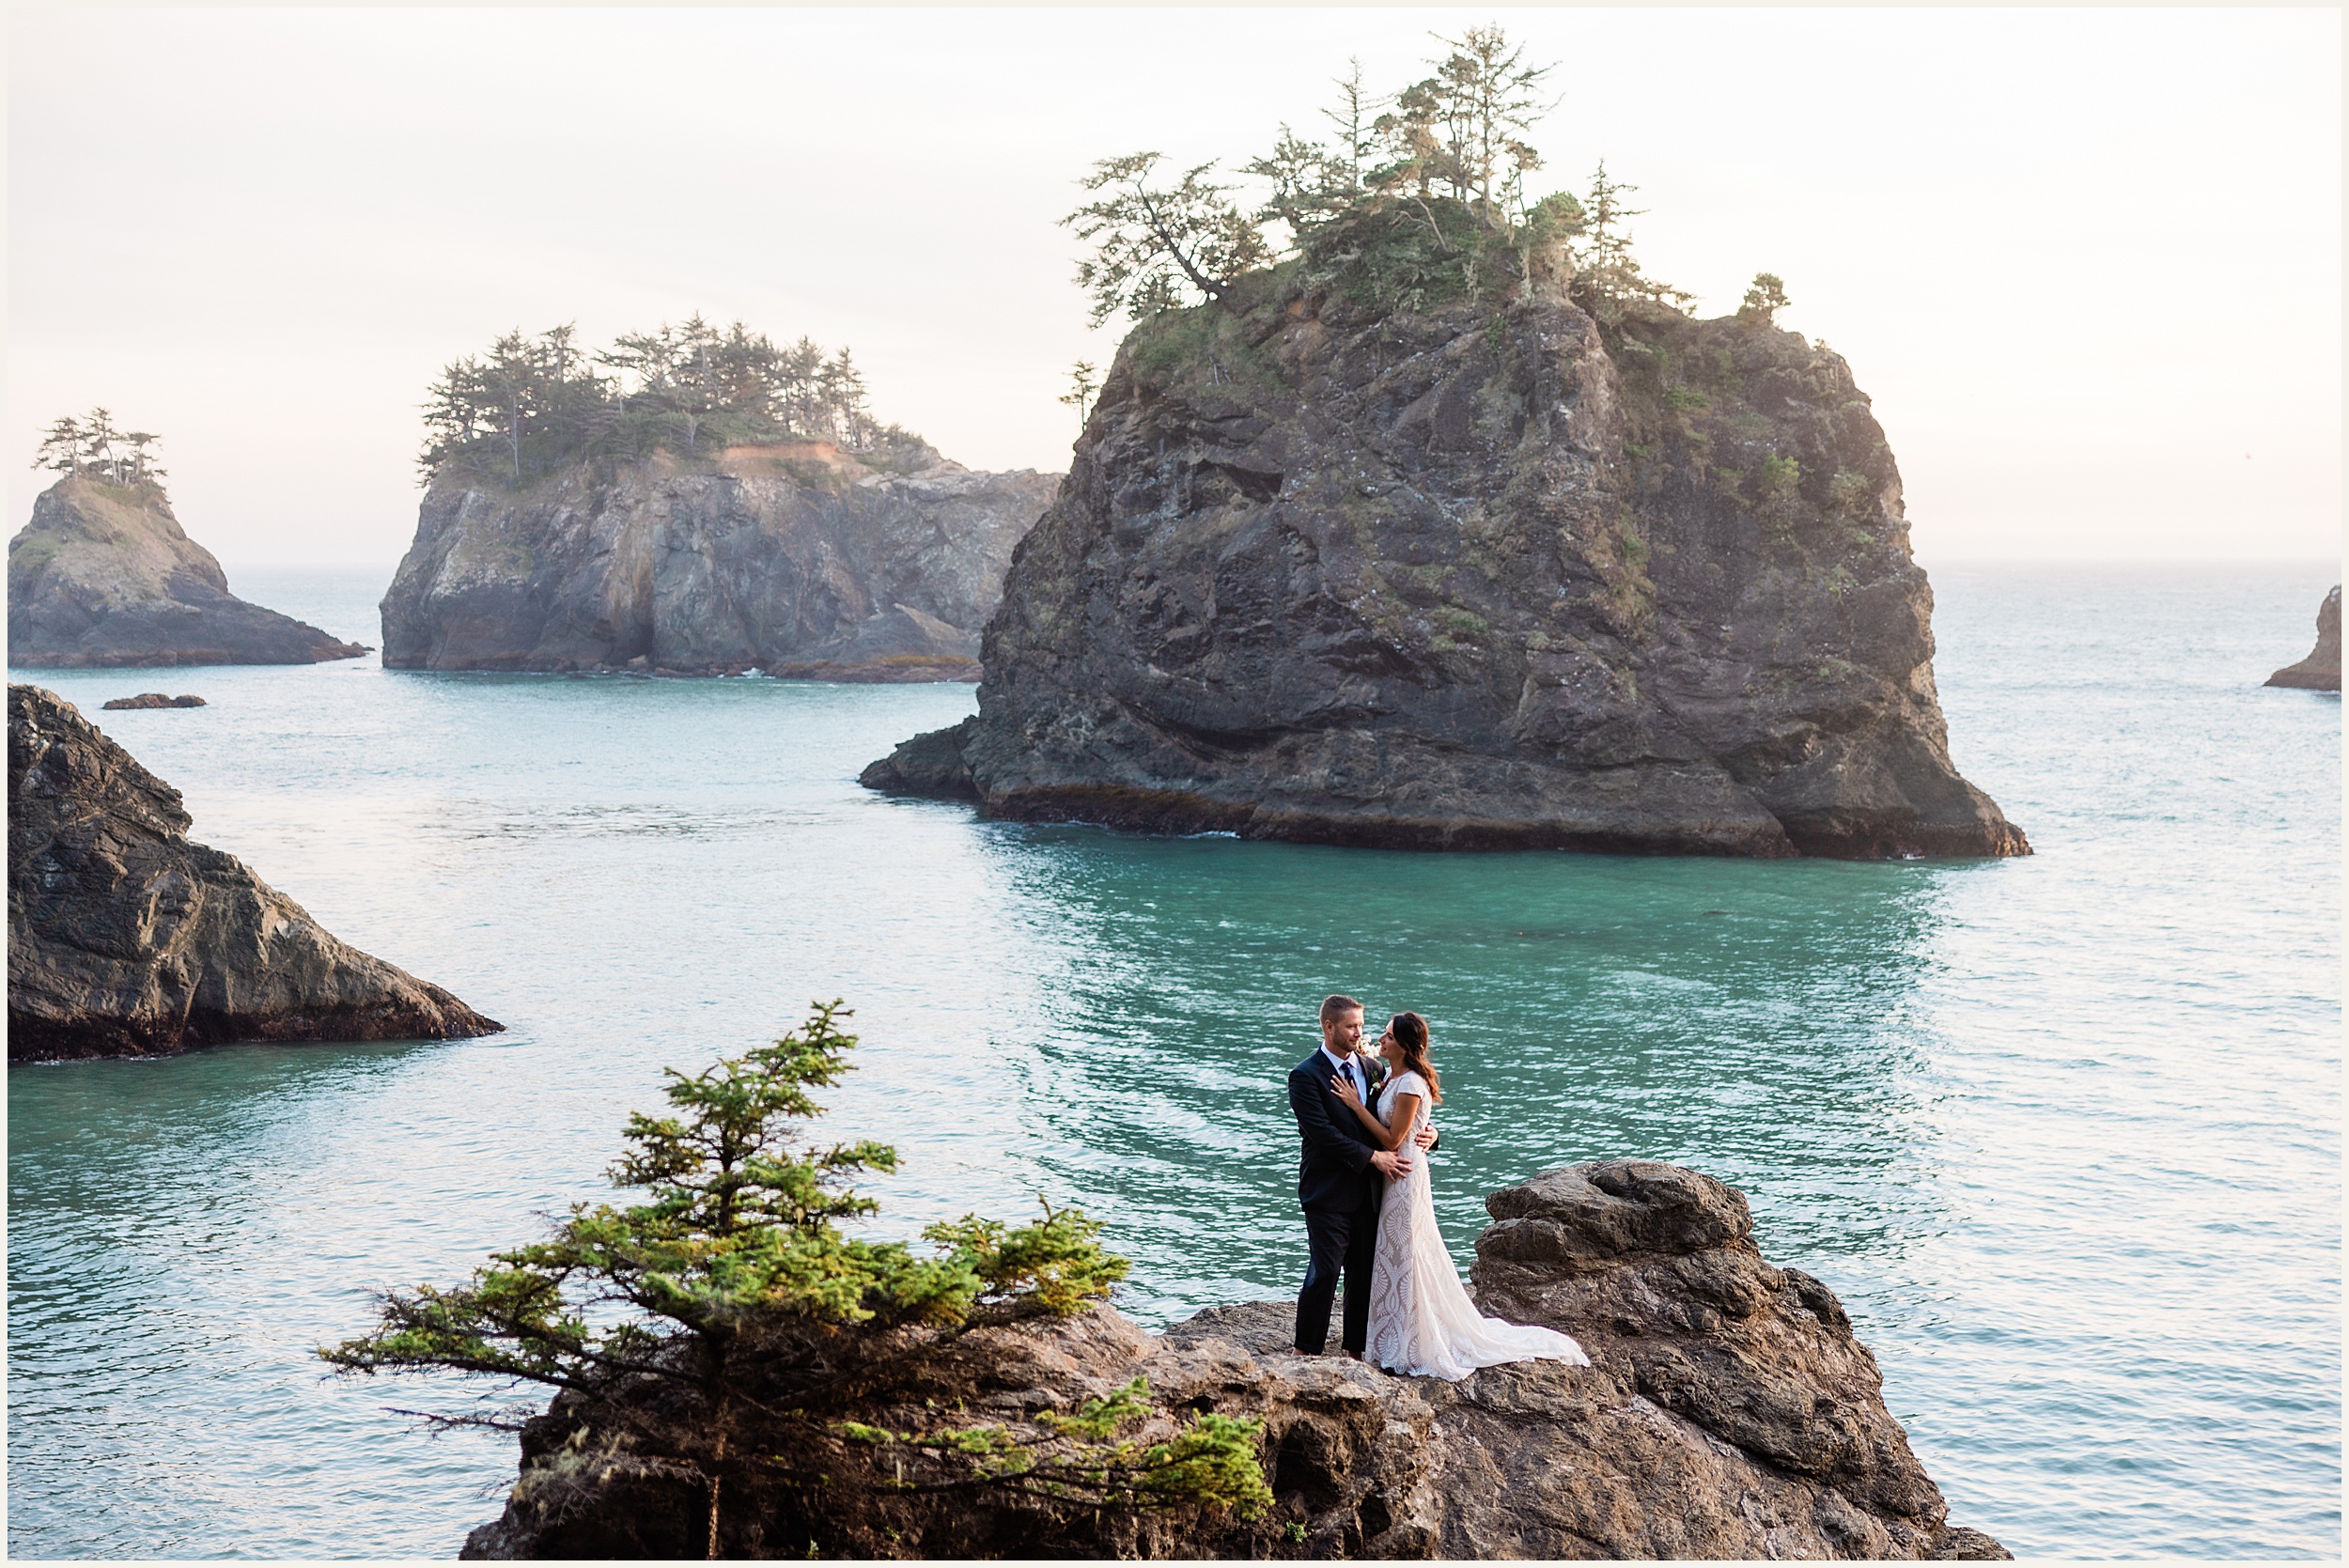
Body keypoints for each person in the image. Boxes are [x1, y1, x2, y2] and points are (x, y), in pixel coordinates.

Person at [1331, 1011, 1590, 1380]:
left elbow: (1392, 1139)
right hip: (1391, 1174)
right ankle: (1392, 1335)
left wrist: (1356, 1105)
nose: (1380, 1040)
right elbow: (1410, 1124)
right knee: (1396, 1253)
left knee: (1408, 1252)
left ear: (1404, 1046)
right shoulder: (1388, 1074)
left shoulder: (1411, 1084)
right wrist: (1429, 1130)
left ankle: (1413, 1340)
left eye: (1388, 1036)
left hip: (1404, 1175)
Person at [1288, 994, 1437, 1358]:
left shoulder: (1374, 1070)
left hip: (1373, 1192)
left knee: (1364, 1275)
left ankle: (1356, 1350)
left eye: (1361, 1026)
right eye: (1351, 1027)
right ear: (1329, 1027)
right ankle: (1306, 1349)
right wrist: (1374, 1157)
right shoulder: (1305, 1076)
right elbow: (1322, 1134)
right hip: (1328, 1190)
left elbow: (1400, 1117)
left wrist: (1432, 1136)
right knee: (1325, 1271)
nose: (1359, 1033)